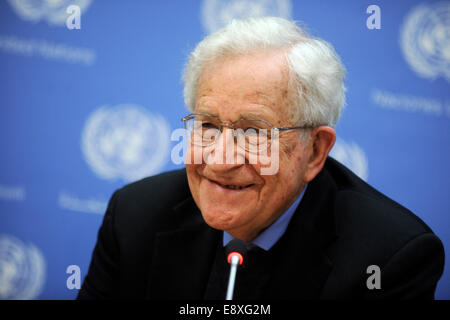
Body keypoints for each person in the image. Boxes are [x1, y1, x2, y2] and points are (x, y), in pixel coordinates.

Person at [77, 17, 444, 300]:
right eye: (207, 125)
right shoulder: (133, 216)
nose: (219, 161)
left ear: (315, 150)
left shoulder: (390, 258)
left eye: (253, 132)